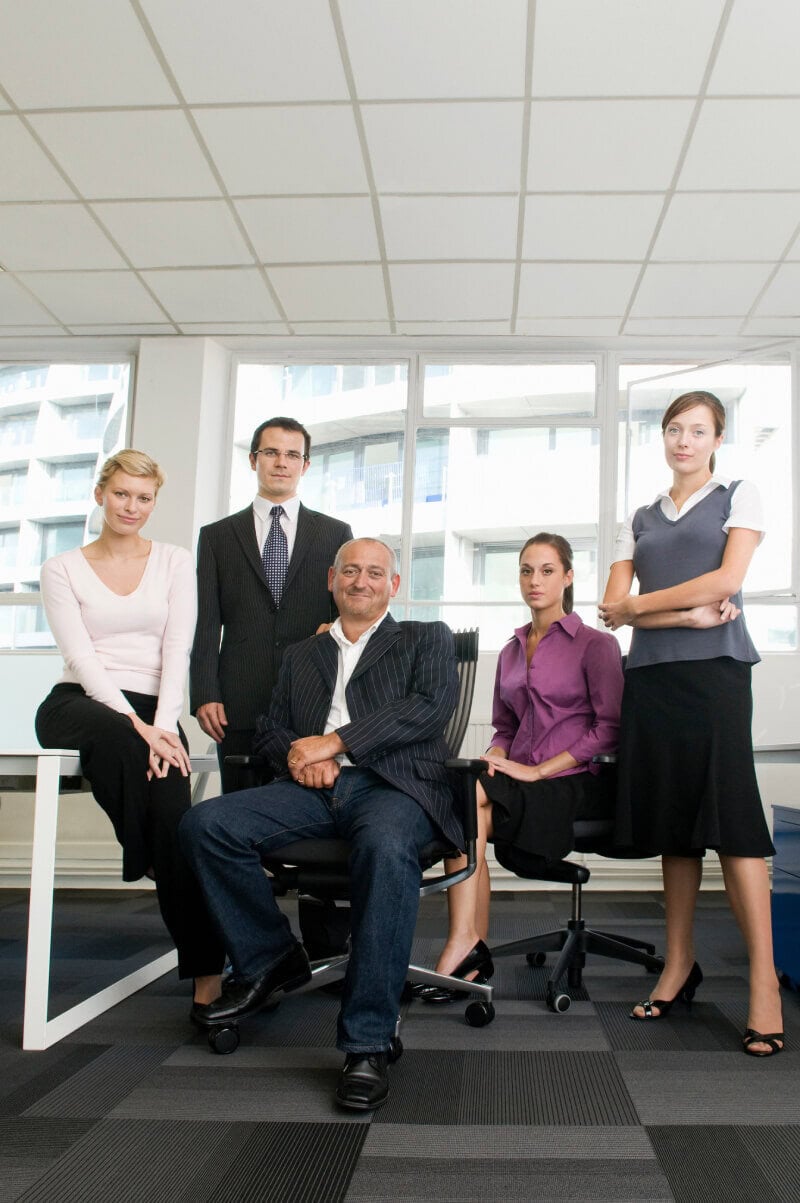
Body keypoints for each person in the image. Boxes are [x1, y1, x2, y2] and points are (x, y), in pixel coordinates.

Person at [180, 538, 459, 1111]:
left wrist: (337, 743)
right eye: (350, 571)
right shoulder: (302, 655)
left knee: (384, 849)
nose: (361, 581)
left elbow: (429, 708)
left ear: (394, 586)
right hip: (313, 789)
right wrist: (301, 758)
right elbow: (271, 728)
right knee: (205, 825)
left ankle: (368, 1042)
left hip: (395, 788)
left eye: (374, 573)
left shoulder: (425, 638)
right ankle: (271, 958)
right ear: (332, 579)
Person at [599, 389, 783, 1058]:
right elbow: (612, 608)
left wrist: (648, 605)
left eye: (697, 430)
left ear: (716, 438)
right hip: (651, 680)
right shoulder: (641, 516)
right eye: (674, 428)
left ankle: (762, 980)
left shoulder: (740, 494)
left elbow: (725, 581)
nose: (683, 440)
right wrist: (676, 613)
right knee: (676, 829)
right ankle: (678, 962)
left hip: (716, 677)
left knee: (732, 825)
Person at [35, 450, 225, 1010]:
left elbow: (177, 648)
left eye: (144, 498)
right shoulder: (62, 569)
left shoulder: (171, 560)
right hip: (81, 702)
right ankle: (142, 851)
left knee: (176, 820)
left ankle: (206, 969)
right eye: (121, 494)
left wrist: (163, 726)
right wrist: (139, 727)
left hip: (156, 708)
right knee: (119, 737)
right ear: (100, 495)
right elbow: (83, 659)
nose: (131, 506)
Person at [424, 533, 623, 1002]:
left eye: (547, 570)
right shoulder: (512, 648)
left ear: (569, 577)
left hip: (576, 781)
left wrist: (537, 771)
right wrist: (495, 755)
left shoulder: (596, 645)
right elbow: (505, 727)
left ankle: (465, 945)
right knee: (468, 802)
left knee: (465, 801)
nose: (535, 581)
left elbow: (609, 730)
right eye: (526, 570)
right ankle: (470, 945)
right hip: (522, 777)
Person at [190, 416, 353, 791]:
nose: (282, 462)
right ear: (253, 460)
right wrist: (204, 693)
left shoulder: (334, 533)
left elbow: (347, 610)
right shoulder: (217, 537)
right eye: (271, 452)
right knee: (239, 809)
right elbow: (205, 623)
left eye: (292, 455)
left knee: (305, 811)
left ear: (305, 465)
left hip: (311, 698)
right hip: (238, 701)